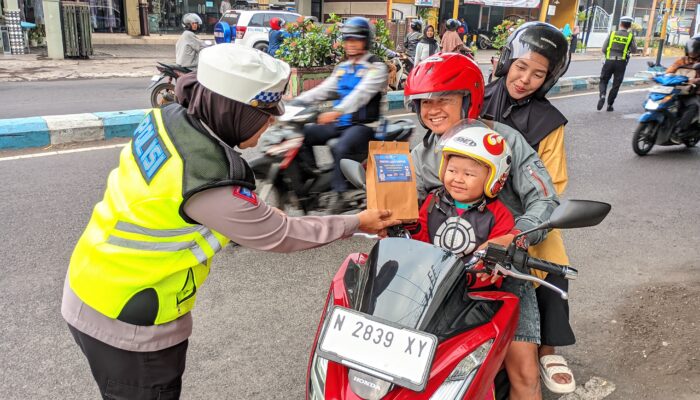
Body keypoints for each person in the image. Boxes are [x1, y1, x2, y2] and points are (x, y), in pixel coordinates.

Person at [61, 43, 400, 399]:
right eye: (265, 113)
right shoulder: (208, 179)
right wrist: (356, 222)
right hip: (131, 324)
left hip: (89, 283)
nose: (273, 120)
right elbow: (280, 233)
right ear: (233, 110)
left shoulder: (169, 118)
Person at [405, 52, 560, 400]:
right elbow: (404, 204)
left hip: (501, 274)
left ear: (468, 98)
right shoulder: (422, 152)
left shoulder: (504, 140)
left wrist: (515, 236)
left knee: (523, 371)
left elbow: (546, 200)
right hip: (436, 276)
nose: (432, 109)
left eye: (443, 99)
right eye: (425, 102)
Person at [482, 21, 577, 394]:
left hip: (524, 212)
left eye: (538, 74)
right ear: (508, 60)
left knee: (549, 259)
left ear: (548, 79)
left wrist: (528, 220)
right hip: (471, 204)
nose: (524, 79)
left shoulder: (550, 123)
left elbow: (554, 184)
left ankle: (548, 349)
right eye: (521, 67)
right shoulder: (479, 97)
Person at [292, 17, 388, 213]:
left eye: (356, 39)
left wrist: (337, 111)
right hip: (340, 123)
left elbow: (361, 94)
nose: (350, 44)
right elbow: (323, 90)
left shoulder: (376, 67)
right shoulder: (343, 68)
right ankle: (313, 182)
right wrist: (295, 102)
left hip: (364, 126)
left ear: (366, 41)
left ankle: (339, 193)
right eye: (347, 39)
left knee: (340, 147)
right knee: (301, 134)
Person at [410, 122, 516, 271]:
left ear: (493, 177)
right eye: (452, 170)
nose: (458, 179)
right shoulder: (433, 200)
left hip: (475, 288)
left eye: (468, 174)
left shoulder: (499, 216)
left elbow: (494, 266)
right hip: (432, 281)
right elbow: (421, 242)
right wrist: (412, 227)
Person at [597, 16, 637, 112]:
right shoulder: (630, 36)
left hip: (609, 61)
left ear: (620, 24)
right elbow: (634, 50)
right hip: (621, 63)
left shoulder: (612, 34)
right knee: (616, 84)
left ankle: (602, 95)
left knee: (603, 80)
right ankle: (610, 105)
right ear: (629, 26)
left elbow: (603, 49)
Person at [665, 34, 700, 142]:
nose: (692, 50)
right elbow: (670, 70)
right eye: (692, 47)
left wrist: (696, 81)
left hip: (693, 92)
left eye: (696, 48)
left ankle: (679, 131)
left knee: (693, 106)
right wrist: (664, 76)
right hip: (677, 89)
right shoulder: (682, 60)